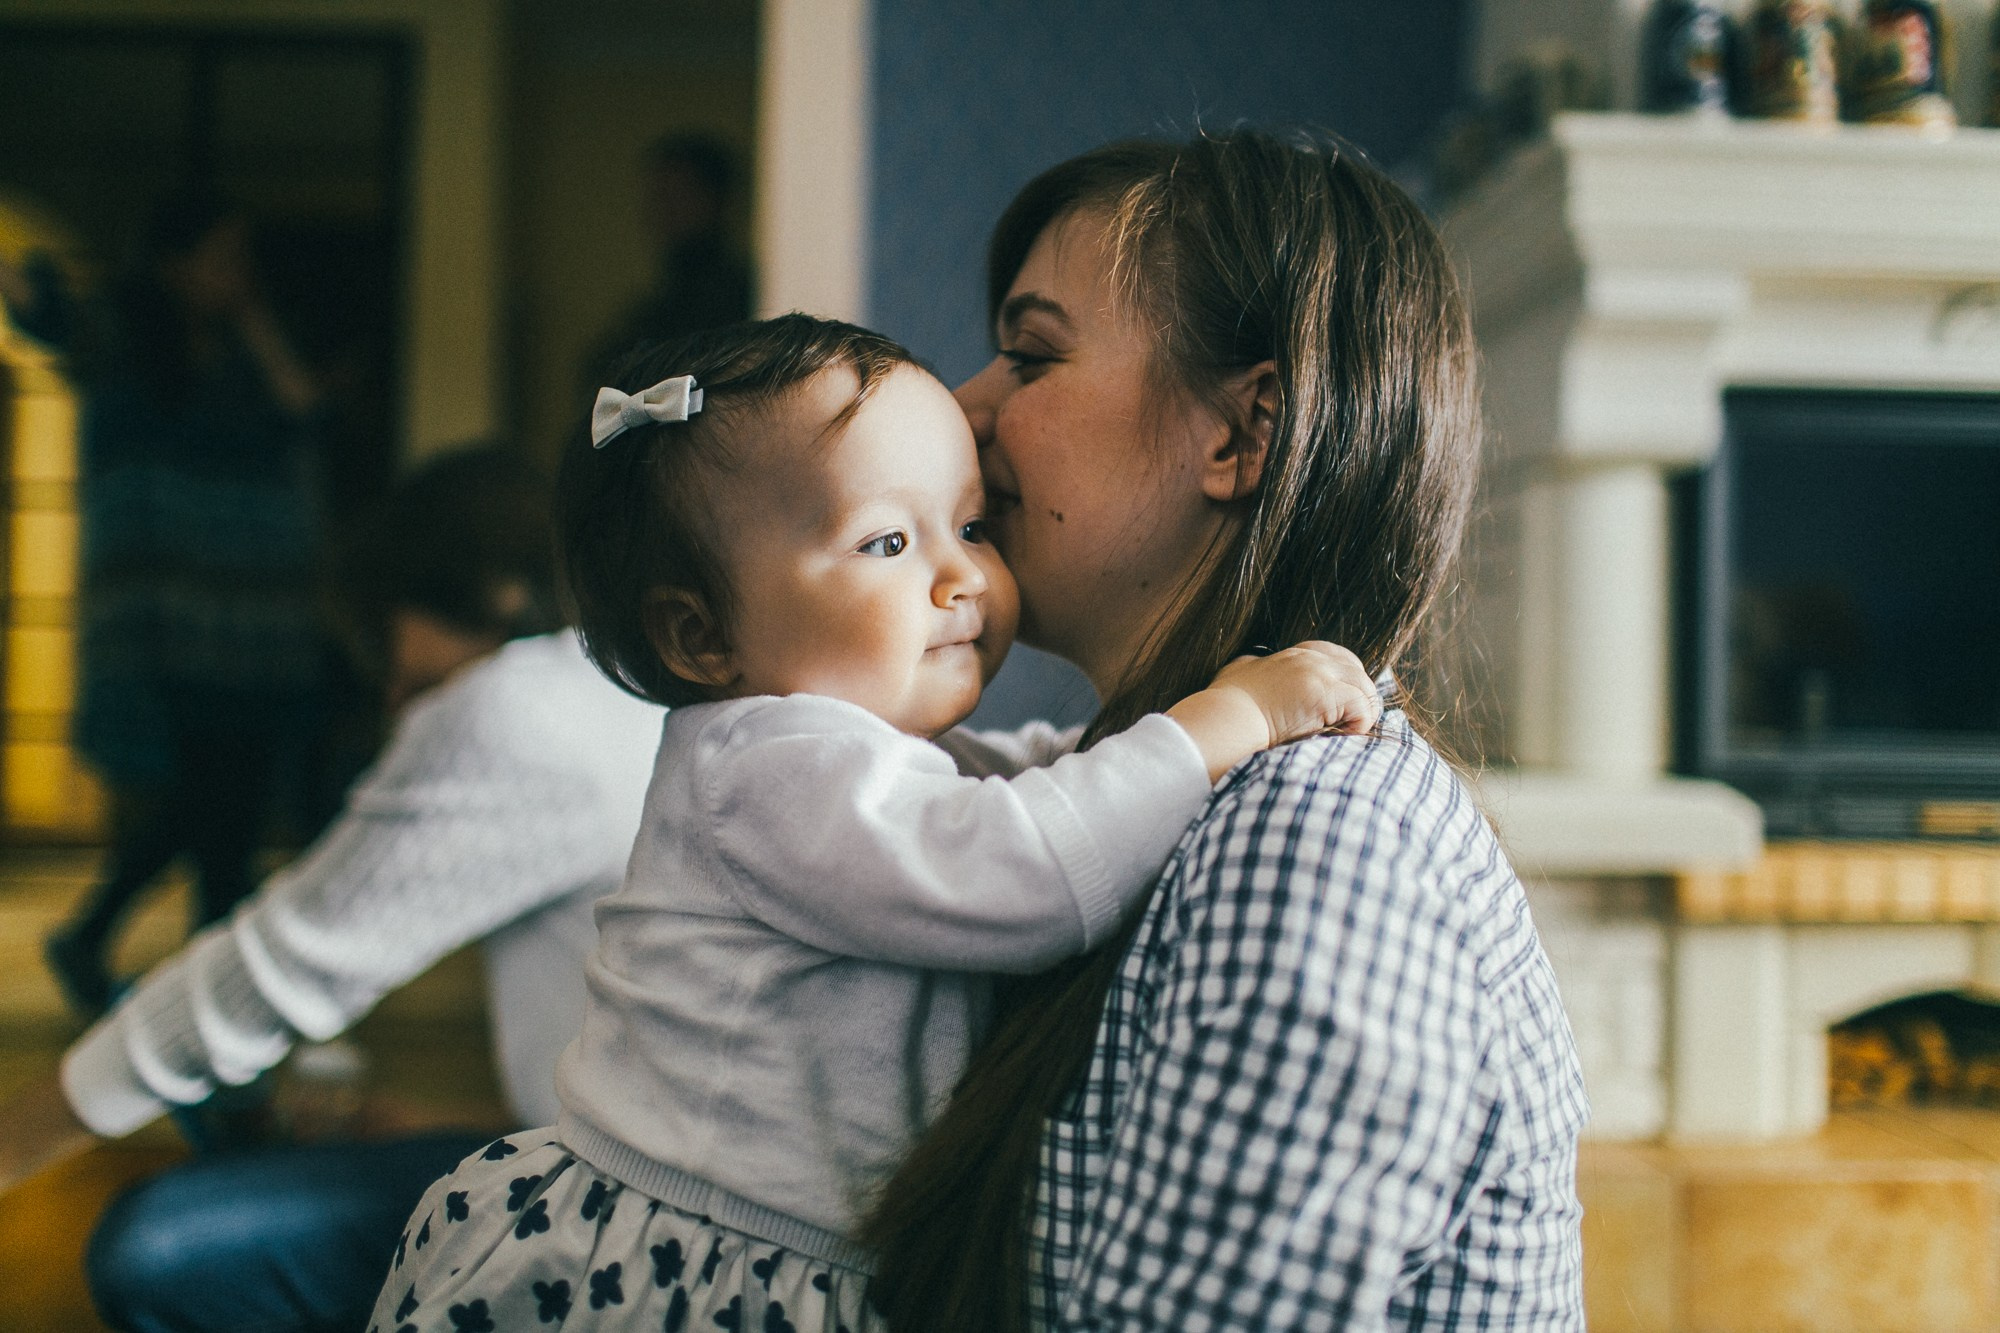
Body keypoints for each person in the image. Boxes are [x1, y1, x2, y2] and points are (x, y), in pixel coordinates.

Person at [370, 315, 1382, 1332]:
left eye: (973, 525)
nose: (962, 576)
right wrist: (1229, 718)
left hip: (784, 1246)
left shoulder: (871, 760)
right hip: (686, 1259)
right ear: (702, 633)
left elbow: (1042, 777)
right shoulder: (764, 765)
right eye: (888, 542)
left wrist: (1163, 729)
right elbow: (1019, 867)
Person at [860, 130, 1588, 1330]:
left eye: (1027, 354)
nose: (962, 403)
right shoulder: (1128, 797)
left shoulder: (1316, 839)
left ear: (1241, 435)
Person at [0, 447, 666, 1333]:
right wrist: (446, 1122)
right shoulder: (628, 691)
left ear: (498, 597)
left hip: (624, 1216)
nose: (394, 692)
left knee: (161, 1247)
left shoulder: (520, 707)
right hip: (628, 1161)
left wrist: (13, 1143)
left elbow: (263, 977)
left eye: (390, 640)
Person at [0, 194, 330, 1016]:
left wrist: (254, 323)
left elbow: (302, 411)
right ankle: (203, 988)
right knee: (217, 800)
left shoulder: (238, 347)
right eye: (222, 256)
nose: (237, 274)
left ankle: (128, 950)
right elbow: (53, 318)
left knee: (228, 802)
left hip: (255, 616)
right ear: (174, 264)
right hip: (173, 618)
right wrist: (30, 291)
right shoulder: (125, 336)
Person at [582, 132, 755, 390]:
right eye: (656, 199)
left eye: (676, 198)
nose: (659, 214)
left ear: (714, 201)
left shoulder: (739, 297)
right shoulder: (655, 310)